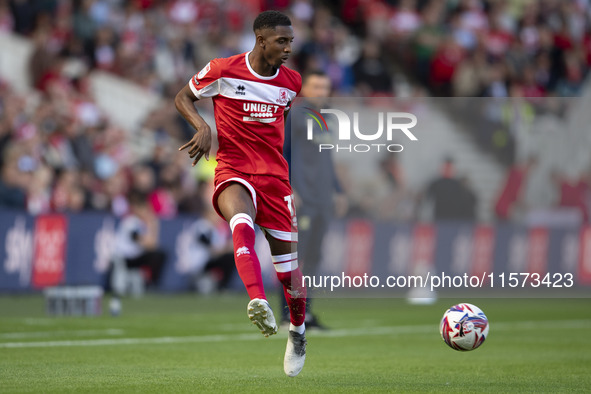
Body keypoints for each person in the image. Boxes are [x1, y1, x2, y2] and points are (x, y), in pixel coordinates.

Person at [175, 11, 307, 377]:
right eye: (282, 41)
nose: (287, 48)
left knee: (289, 275)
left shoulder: (292, 83)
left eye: (291, 41)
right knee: (240, 219)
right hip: (233, 169)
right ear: (260, 40)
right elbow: (183, 96)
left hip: (275, 180)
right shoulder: (222, 70)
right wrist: (202, 125)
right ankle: (257, 300)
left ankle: (297, 331)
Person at [280, 70, 345, 329]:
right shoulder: (295, 115)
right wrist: (289, 188)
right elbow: (282, 153)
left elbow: (327, 160)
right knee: (295, 258)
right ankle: (288, 314)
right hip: (302, 198)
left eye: (325, 86)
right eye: (315, 86)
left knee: (315, 259)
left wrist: (338, 190)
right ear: (304, 88)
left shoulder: (327, 118)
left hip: (323, 201)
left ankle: (305, 314)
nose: (321, 91)